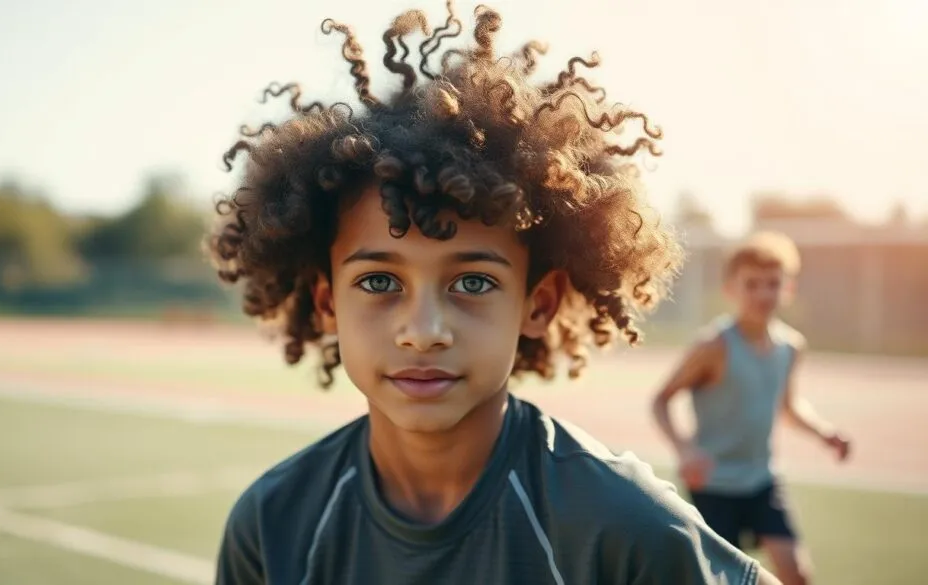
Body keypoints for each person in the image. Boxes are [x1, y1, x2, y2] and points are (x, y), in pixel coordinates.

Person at [210, 3, 779, 583]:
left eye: (473, 282)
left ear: (539, 303)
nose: (425, 330)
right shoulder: (271, 527)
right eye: (379, 281)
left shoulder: (628, 528)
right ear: (329, 302)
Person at [651, 231, 852, 585]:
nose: (763, 293)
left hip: (762, 479)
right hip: (714, 484)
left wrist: (824, 432)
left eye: (773, 284)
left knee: (797, 574)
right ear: (731, 289)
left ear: (787, 289)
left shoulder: (791, 347)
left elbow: (788, 407)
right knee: (721, 580)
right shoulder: (713, 345)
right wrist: (685, 449)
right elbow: (661, 400)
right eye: (752, 284)